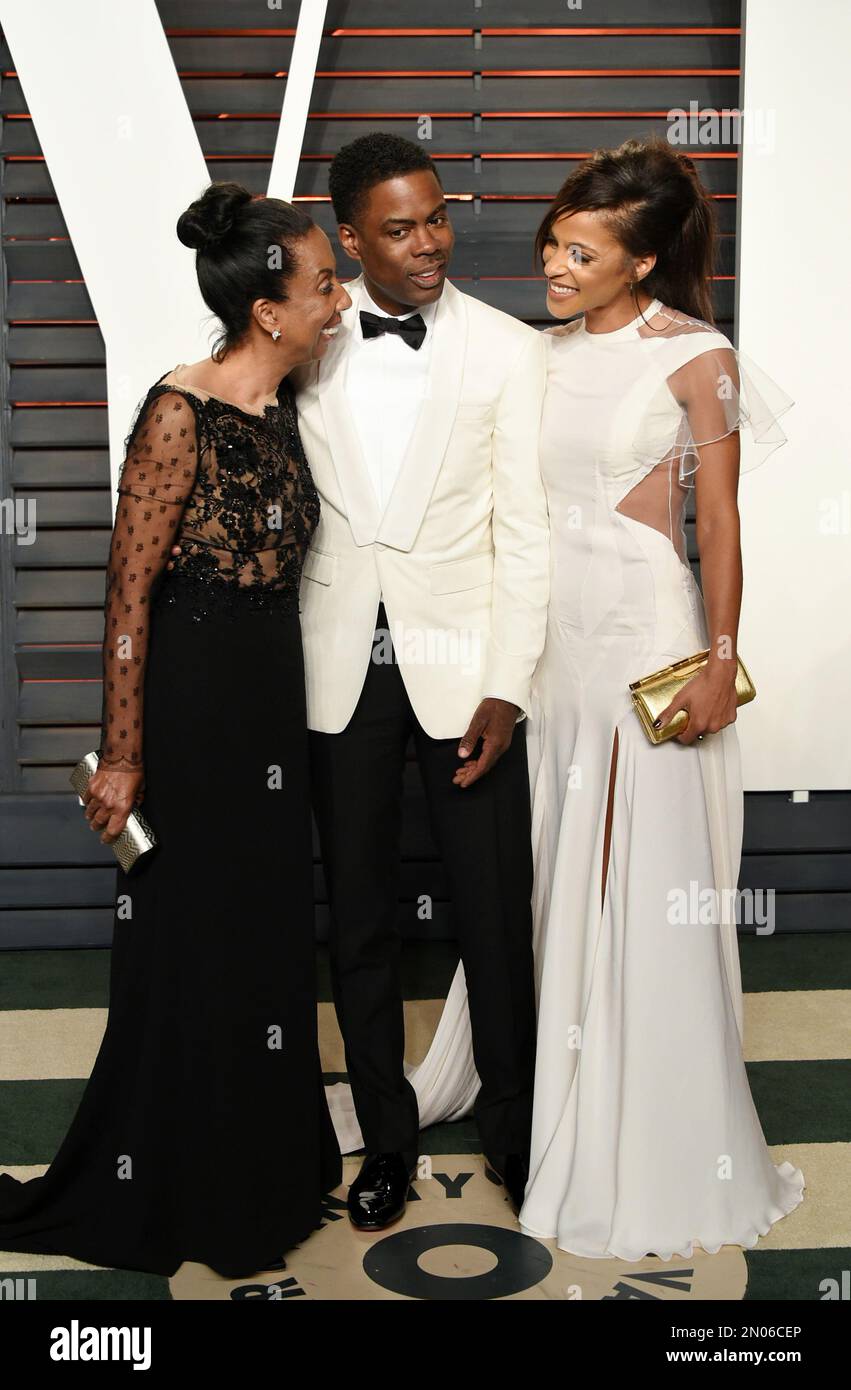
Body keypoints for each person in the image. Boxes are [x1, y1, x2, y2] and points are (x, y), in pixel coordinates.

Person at [0, 183, 351, 1278]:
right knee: (188, 944)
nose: (339, 300)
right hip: (190, 714)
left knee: (260, 941)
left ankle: (259, 1170)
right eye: (324, 282)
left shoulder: (283, 407)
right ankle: (171, 1185)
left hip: (267, 705)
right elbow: (125, 596)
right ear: (267, 311)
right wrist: (126, 754)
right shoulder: (177, 409)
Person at [518, 139, 805, 1259]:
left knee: (651, 878)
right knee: (563, 868)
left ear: (639, 265)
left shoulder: (698, 354)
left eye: (579, 251)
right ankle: (562, 1103)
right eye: (552, 243)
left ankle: (658, 1140)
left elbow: (720, 521)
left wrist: (717, 661)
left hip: (646, 633)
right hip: (554, 638)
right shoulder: (534, 355)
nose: (553, 263)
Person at [291, 133, 550, 1229]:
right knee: (356, 922)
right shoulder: (303, 337)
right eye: (396, 229)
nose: (426, 243)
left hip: (467, 677)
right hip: (336, 667)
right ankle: (384, 1148)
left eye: (435, 218)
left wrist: (509, 684)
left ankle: (517, 1140)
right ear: (348, 238)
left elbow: (527, 538)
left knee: (493, 921)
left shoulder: (505, 349)